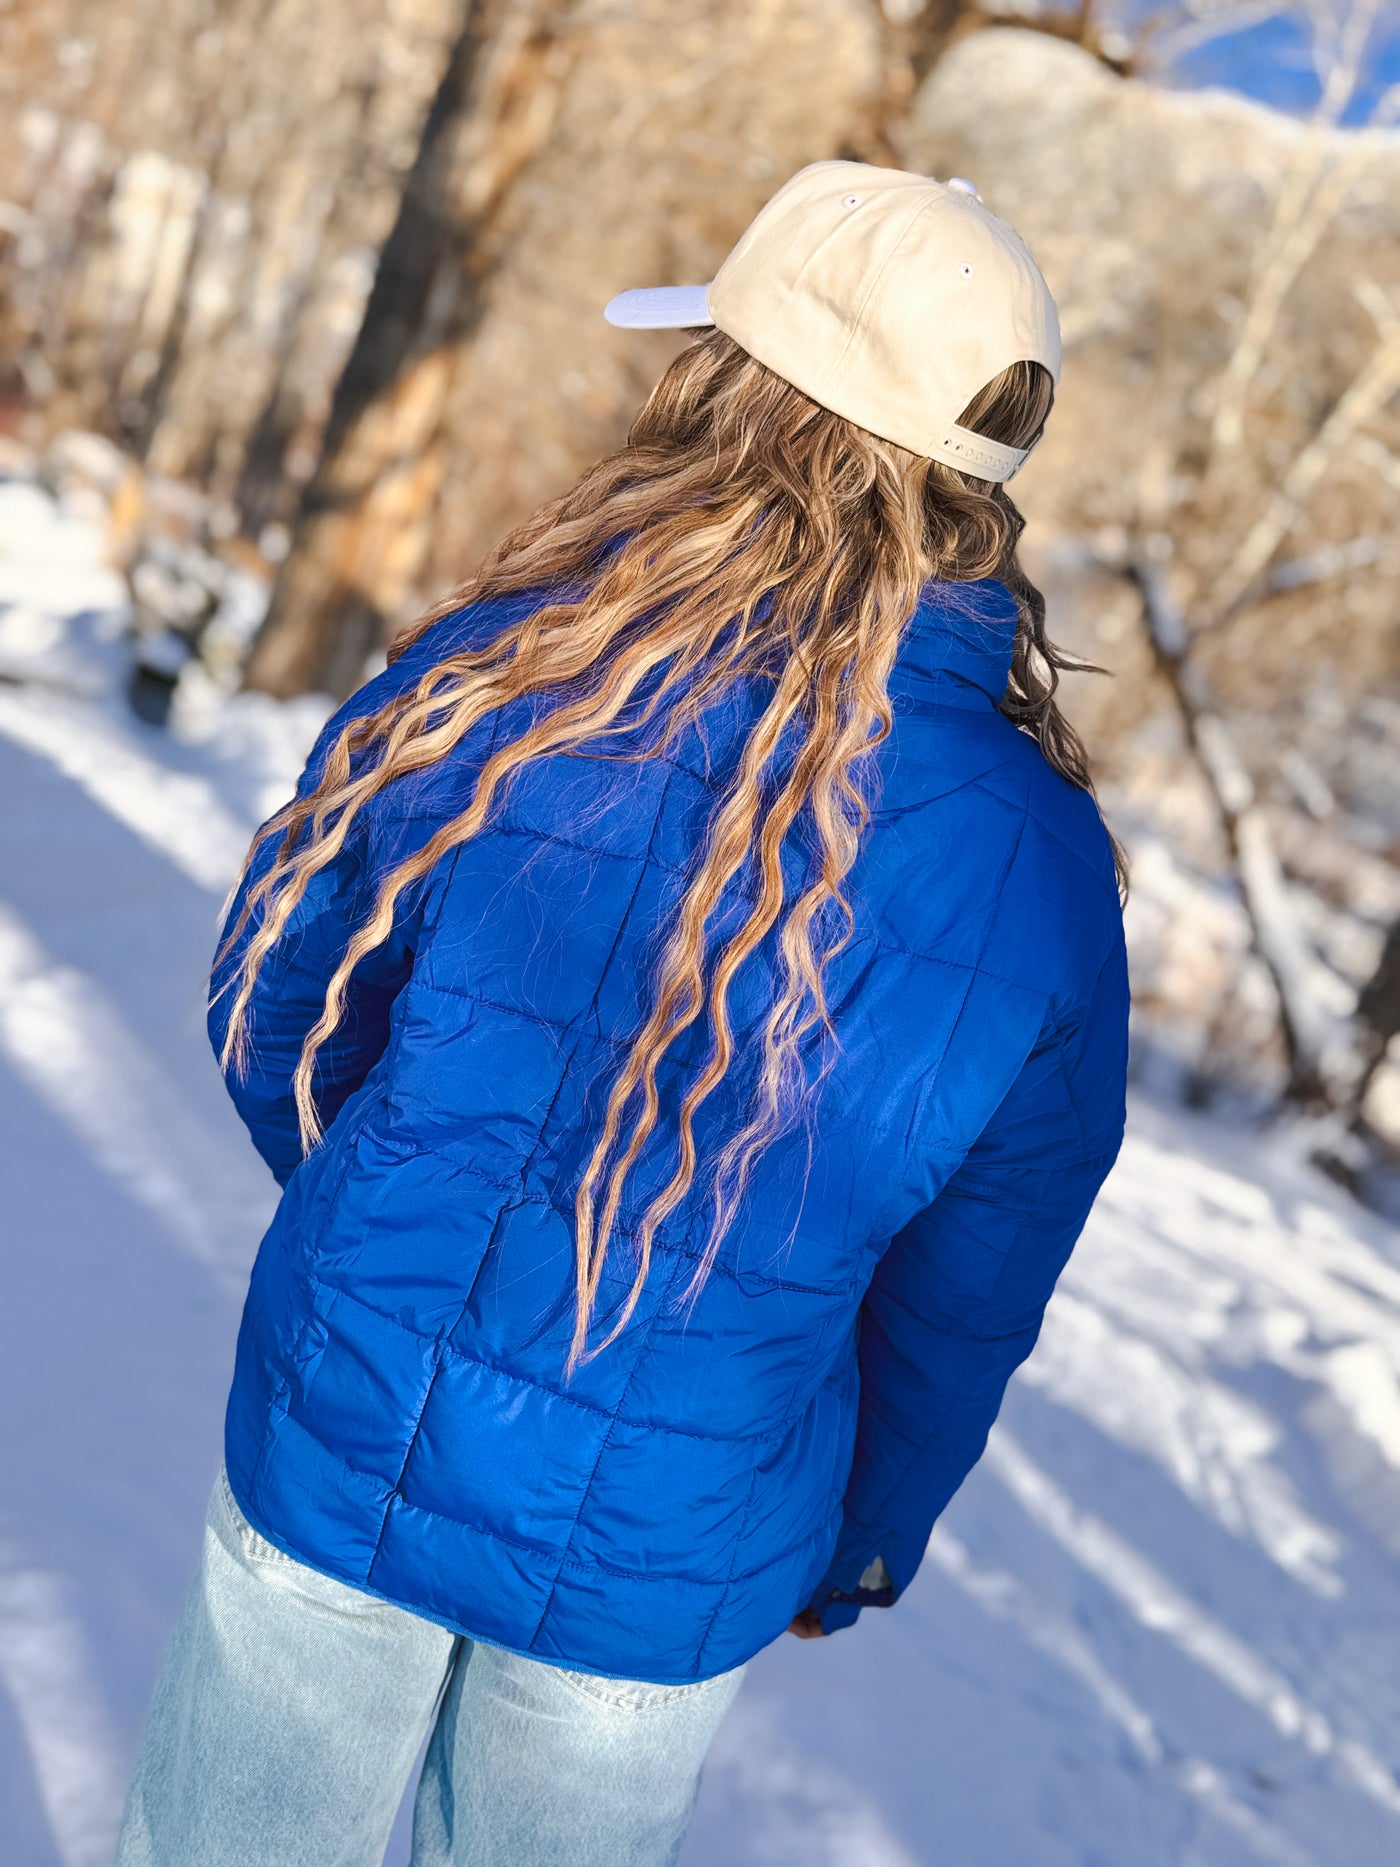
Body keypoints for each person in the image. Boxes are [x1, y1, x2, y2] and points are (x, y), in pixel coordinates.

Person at [116, 160, 1129, 1867]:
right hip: (680, 1550)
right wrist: (861, 1540)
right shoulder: (1038, 862)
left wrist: (393, 1227)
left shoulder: (510, 667)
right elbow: (970, 1294)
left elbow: (282, 1004)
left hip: (347, 1423)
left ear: (732, 398)